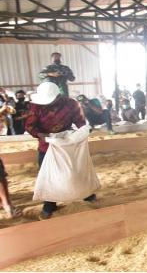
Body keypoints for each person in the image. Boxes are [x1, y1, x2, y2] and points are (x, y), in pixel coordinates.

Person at [25, 82, 97, 219]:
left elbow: (80, 122)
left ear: (58, 97)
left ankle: (87, 194)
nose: (47, 105)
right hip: (46, 145)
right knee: (48, 175)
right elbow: (29, 125)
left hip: (66, 143)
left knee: (75, 169)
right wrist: (40, 135)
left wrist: (84, 131)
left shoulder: (71, 104)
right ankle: (50, 204)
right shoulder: (36, 106)